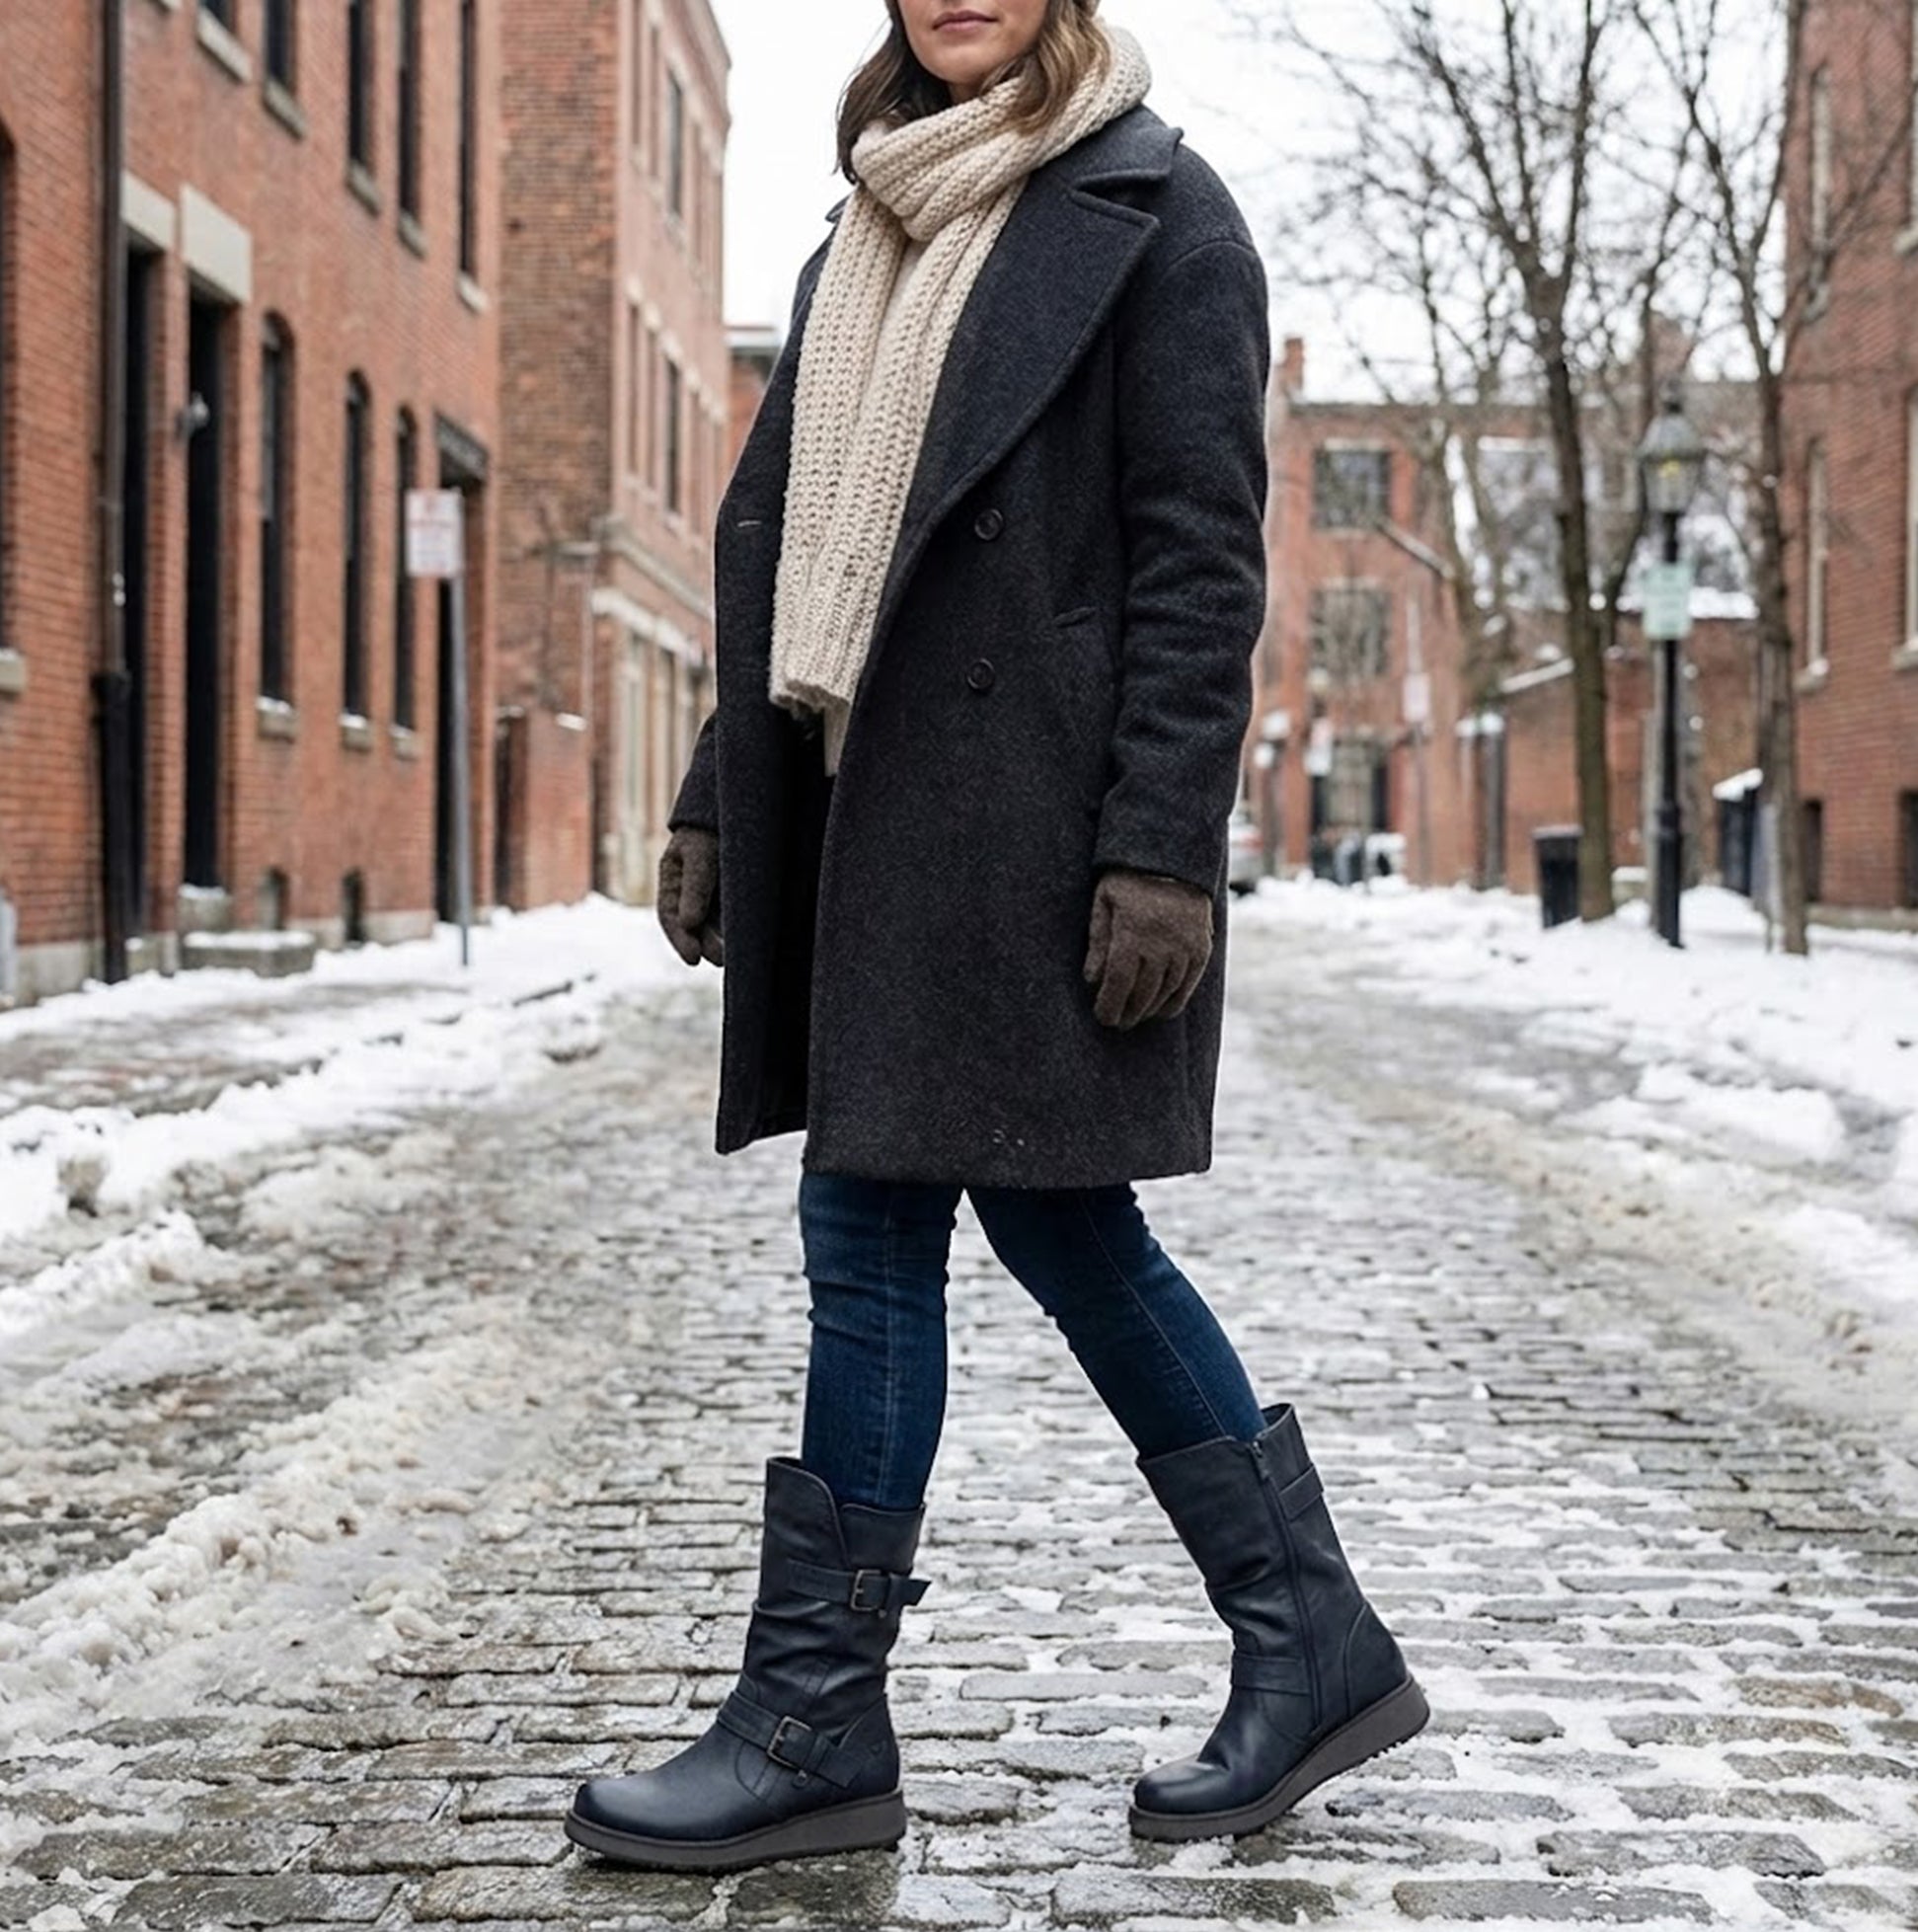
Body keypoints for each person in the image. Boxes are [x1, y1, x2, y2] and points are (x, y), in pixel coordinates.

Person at [565, 0, 1427, 1875]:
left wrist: (1162, 848)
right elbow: (799, 547)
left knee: (1007, 1232)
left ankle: (836, 1716)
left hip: (1035, 835)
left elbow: (1202, 558)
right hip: (870, 822)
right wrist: (722, 788)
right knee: (931, 1232)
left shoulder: (1161, 214)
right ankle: (1275, 1642)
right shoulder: (866, 222)